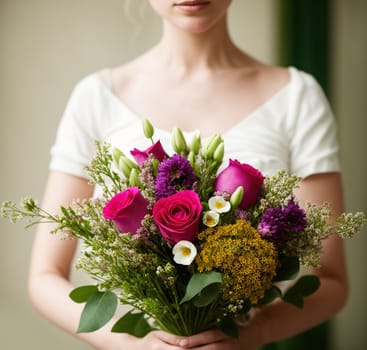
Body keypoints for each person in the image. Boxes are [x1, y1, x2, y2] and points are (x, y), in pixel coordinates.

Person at [28, 1, 348, 349]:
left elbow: (330, 280)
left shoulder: (296, 97)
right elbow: (45, 276)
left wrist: (252, 333)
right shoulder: (96, 97)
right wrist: (134, 346)